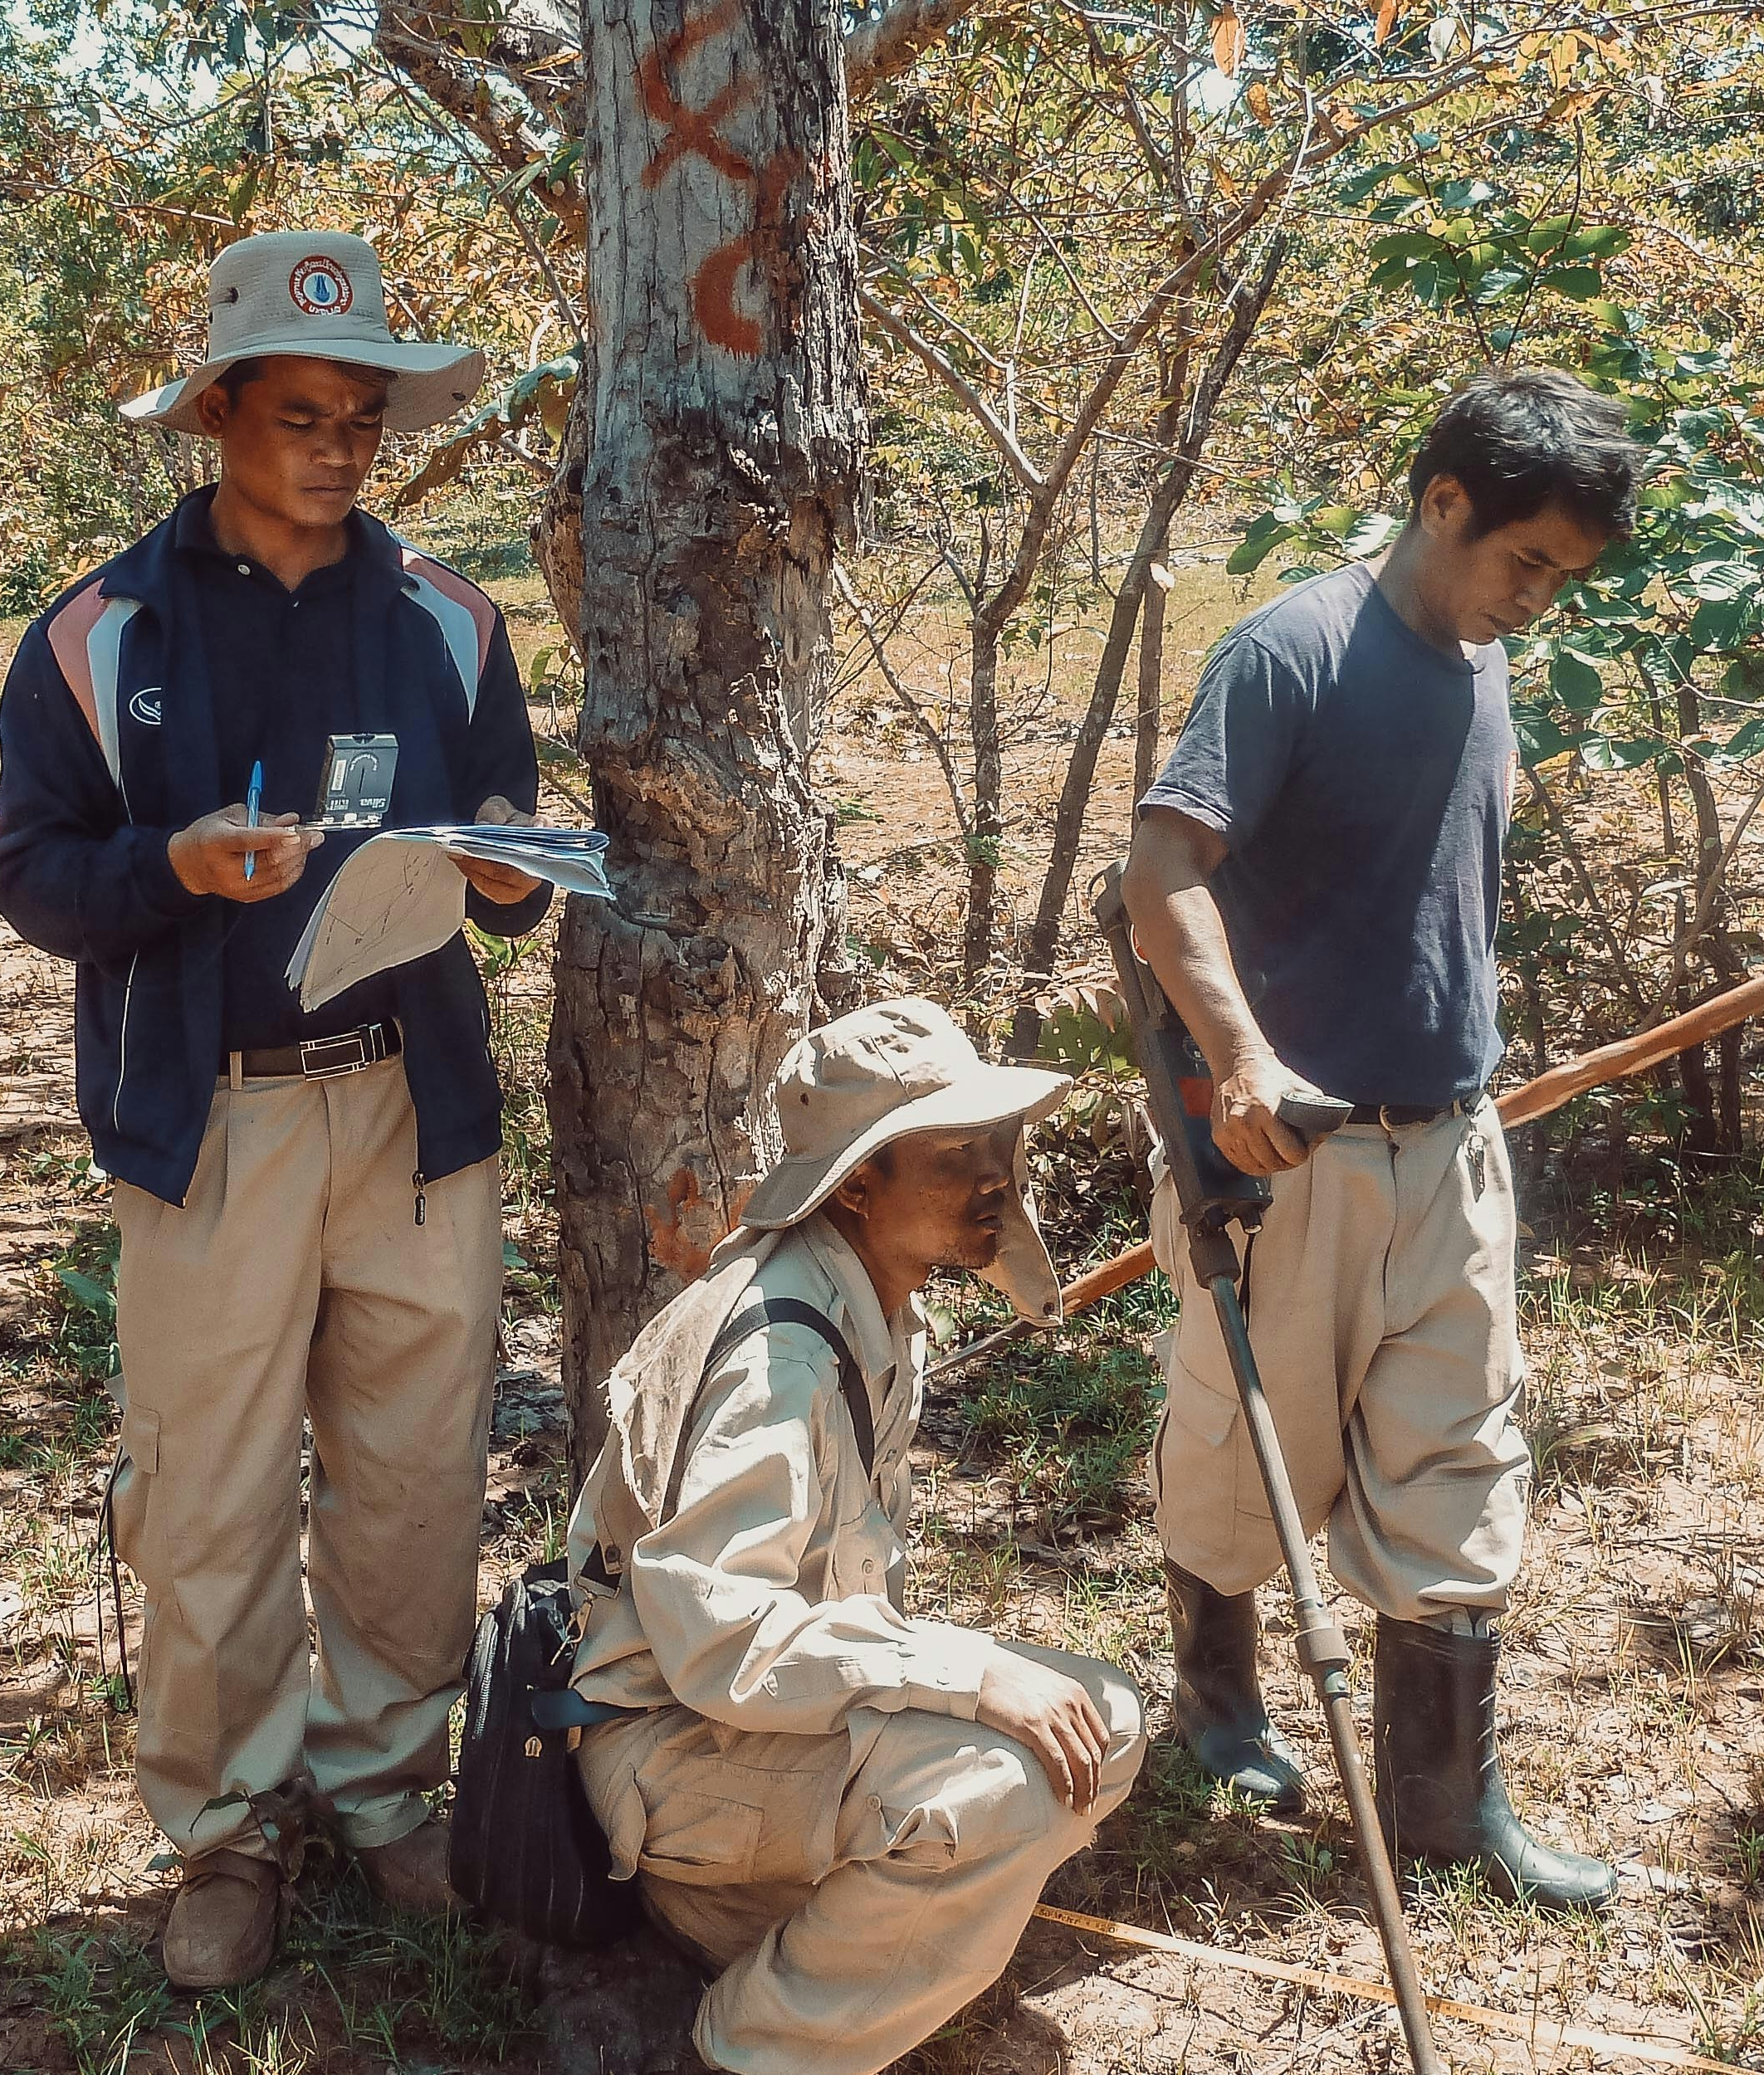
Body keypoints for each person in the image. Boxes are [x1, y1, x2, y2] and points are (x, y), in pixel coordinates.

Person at [0, 230, 543, 1990]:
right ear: (218, 412)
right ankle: (228, 1828)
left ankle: (386, 1790)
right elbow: (31, 875)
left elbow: (512, 837)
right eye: (299, 414)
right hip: (211, 1115)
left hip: (409, 1112)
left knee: (413, 1468)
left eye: (361, 417)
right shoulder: (102, 636)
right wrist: (174, 865)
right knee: (210, 1487)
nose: (337, 448)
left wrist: (510, 872)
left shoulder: (448, 624)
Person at [1117, 365, 1644, 1907]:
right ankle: (1219, 1707)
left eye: (1563, 578)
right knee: (1246, 1454)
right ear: (1442, 501)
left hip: (1453, 1145)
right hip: (1294, 1161)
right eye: (1524, 561)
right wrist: (1240, 1066)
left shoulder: (1483, 663)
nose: (1538, 599)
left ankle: (1442, 1805)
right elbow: (1160, 874)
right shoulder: (1292, 651)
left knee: (1461, 1457)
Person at [562, 999, 1149, 2075]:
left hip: (758, 1729)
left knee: (1098, 1721)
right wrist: (968, 1675)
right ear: (858, 1185)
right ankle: (748, 2047)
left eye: (1000, 1140)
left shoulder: (868, 1290)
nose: (996, 1173)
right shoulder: (779, 1356)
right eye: (956, 1152)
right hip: (672, 1752)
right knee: (999, 1792)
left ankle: (845, 1935)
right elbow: (720, 1641)